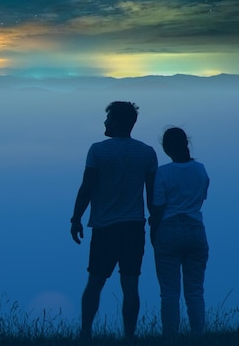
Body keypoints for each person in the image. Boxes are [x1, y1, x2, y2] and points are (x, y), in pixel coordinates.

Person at [70, 101, 157, 340]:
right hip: (133, 227)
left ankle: (85, 333)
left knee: (95, 282)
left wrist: (76, 218)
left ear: (117, 122)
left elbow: (86, 188)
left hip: (104, 228)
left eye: (108, 119)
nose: (105, 123)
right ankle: (129, 336)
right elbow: (152, 196)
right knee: (130, 285)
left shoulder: (97, 150)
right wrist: (155, 225)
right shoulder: (147, 152)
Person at [150, 127, 210, 337]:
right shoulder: (201, 169)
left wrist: (153, 232)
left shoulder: (163, 173)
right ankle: (198, 336)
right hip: (195, 229)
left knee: (169, 291)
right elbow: (201, 197)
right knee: (195, 290)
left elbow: (158, 207)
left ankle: (170, 336)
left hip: (168, 228)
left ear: (166, 148)